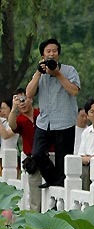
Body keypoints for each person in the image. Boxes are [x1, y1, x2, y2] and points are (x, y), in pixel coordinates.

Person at [25, 38, 80, 188]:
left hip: (65, 122)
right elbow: (29, 94)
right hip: (44, 122)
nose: (51, 54)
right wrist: (38, 72)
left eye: (54, 51)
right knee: (37, 153)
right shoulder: (39, 73)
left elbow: (74, 91)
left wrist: (58, 74)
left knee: (64, 160)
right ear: (42, 55)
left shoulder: (69, 70)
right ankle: (53, 180)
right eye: (48, 51)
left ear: (59, 54)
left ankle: (59, 189)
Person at [8, 89, 42, 211]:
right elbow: (12, 126)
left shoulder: (41, 114)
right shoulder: (20, 120)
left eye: (24, 99)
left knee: (53, 192)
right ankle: (36, 225)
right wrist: (13, 109)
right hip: (32, 161)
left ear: (31, 99)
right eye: (19, 100)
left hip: (48, 158)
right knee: (35, 196)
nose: (22, 103)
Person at [0, 99, 20, 174]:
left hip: (12, 156)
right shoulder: (3, 122)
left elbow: (5, 135)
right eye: (1, 108)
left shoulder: (16, 122)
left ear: (11, 108)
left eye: (4, 108)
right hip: (2, 155)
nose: (2, 111)